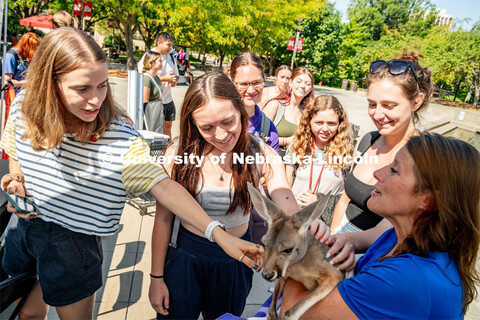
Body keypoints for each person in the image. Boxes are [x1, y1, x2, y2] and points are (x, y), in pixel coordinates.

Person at [0, 28, 263, 320]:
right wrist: (17, 180)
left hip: (73, 243)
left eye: (102, 86)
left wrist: (220, 236)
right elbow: (15, 151)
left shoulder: (118, 136)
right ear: (50, 83)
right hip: (23, 229)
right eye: (82, 89)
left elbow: (164, 187)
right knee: (26, 313)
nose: (96, 100)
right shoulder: (23, 107)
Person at [149, 72, 330, 320]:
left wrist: (306, 222)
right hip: (185, 257)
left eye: (227, 122)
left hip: (236, 262)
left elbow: (283, 196)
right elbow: (163, 220)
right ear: (192, 123)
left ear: (240, 110)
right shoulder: (177, 155)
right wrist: (156, 278)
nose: (221, 135)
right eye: (207, 127)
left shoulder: (261, 154)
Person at [281, 133, 480, 319]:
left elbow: (293, 312)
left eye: (394, 170)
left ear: (428, 200)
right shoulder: (399, 238)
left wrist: (297, 253)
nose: (377, 173)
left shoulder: (405, 279)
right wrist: (347, 245)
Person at [330, 53, 433, 236]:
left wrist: (347, 244)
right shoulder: (367, 140)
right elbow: (345, 199)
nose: (377, 115)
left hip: (376, 250)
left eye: (389, 106)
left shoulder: (422, 156)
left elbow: (395, 226)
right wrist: (331, 238)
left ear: (416, 102)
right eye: (372, 104)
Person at [285, 95, 353, 226]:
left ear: (340, 123)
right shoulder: (297, 144)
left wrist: (320, 200)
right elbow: (287, 183)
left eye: (332, 123)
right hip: (295, 217)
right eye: (319, 123)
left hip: (326, 222)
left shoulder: (347, 151)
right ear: (309, 121)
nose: (325, 129)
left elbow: (347, 195)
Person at [227, 51, 280, 153]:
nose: (251, 90)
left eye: (256, 82)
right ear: (232, 83)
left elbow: (275, 166)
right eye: (244, 84)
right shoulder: (218, 119)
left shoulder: (268, 128)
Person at [263, 67, 314, 154]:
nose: (302, 86)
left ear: (311, 88)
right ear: (290, 83)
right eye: (298, 81)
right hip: (270, 159)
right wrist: (286, 141)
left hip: (295, 162)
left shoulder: (308, 112)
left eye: (307, 83)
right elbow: (258, 136)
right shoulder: (275, 105)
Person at [138, 32, 179, 138]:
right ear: (159, 43)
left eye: (171, 45)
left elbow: (177, 75)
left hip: (167, 99)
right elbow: (144, 79)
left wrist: (174, 80)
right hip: (154, 102)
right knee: (154, 129)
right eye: (168, 44)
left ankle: (167, 151)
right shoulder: (149, 56)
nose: (171, 48)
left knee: (167, 129)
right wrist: (165, 79)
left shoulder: (172, 58)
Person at [142, 50, 164, 133]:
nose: (162, 63)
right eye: (160, 61)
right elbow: (145, 100)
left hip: (156, 113)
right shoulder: (146, 78)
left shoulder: (157, 78)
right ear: (152, 63)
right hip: (150, 115)